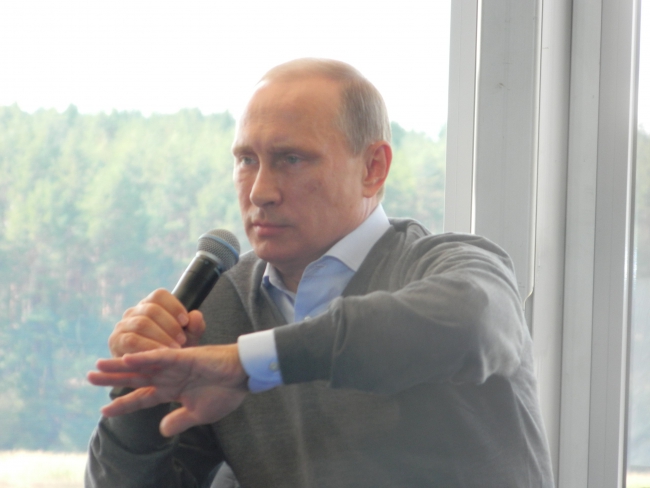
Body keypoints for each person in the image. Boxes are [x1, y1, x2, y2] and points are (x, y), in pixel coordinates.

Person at [85, 58, 554, 488]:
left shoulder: (456, 268)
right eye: (247, 160)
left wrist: (252, 364)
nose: (260, 192)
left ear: (373, 168)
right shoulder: (219, 308)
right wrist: (142, 392)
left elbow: (469, 324)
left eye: (291, 159)